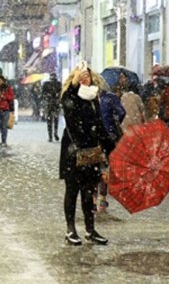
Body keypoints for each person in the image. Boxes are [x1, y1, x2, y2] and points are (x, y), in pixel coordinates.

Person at [60, 63, 114, 246]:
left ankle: (90, 230)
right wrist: (74, 85)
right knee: (72, 191)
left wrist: (110, 147)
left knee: (89, 193)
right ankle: (70, 230)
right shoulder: (70, 96)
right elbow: (70, 112)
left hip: (91, 152)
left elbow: (99, 125)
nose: (84, 77)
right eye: (80, 75)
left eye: (87, 75)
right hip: (73, 151)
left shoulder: (93, 98)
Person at [97, 84, 126, 213]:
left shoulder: (88, 99)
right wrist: (114, 123)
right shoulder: (110, 98)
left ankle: (94, 199)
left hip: (94, 137)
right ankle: (102, 197)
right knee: (105, 167)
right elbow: (122, 112)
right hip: (109, 136)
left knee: (95, 167)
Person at [42, 73, 62, 142]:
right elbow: (61, 93)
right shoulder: (59, 84)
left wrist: (48, 96)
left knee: (49, 120)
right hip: (55, 104)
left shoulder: (46, 84)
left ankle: (50, 136)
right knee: (56, 119)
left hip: (49, 104)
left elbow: (43, 94)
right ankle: (55, 133)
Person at [0, 76, 15, 147]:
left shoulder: (7, 88)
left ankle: (4, 141)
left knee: (4, 126)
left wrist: (4, 97)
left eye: (0, 80)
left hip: (5, 109)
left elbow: (11, 97)